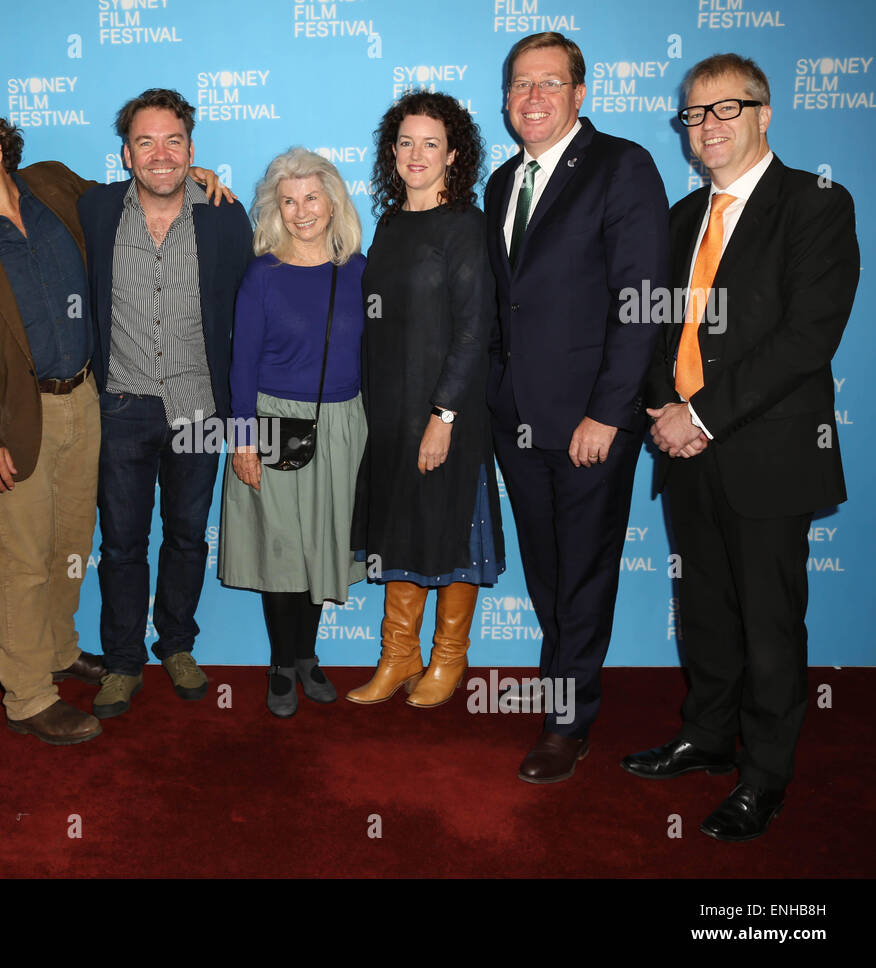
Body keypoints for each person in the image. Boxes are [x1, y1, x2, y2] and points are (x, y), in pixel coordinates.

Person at [0, 102, 230, 744]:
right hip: (12, 417)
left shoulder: (56, 184)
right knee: (21, 559)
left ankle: (58, 650)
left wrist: (197, 178)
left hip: (89, 397)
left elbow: (143, 190)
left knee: (70, 546)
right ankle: (28, 695)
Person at [623, 55, 860, 842]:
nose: (708, 127)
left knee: (769, 624)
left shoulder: (817, 205)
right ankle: (707, 735)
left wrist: (703, 416)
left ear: (766, 113)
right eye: (694, 114)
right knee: (708, 613)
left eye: (727, 109)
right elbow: (659, 321)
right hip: (684, 446)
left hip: (765, 452)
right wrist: (663, 405)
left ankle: (764, 776)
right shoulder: (684, 216)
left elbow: (805, 337)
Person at [484, 32, 668, 782]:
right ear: (505, 99)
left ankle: (569, 720)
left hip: (591, 420)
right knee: (550, 575)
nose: (533, 97)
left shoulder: (621, 167)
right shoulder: (502, 182)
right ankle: (566, 686)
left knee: (585, 574)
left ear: (580, 94)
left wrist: (610, 412)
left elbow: (640, 302)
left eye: (550, 83)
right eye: (521, 84)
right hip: (516, 422)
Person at [78, 89, 253, 719]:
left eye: (173, 141)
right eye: (145, 141)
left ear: (192, 150)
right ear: (125, 153)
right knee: (122, 544)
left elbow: (247, 315)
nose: (161, 154)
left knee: (186, 537)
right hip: (121, 405)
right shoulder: (93, 207)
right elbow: (22, 180)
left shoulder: (226, 217)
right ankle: (123, 661)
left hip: (200, 407)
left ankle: (176, 644)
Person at [348, 91, 504, 710]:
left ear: (453, 155)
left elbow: (474, 329)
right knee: (399, 528)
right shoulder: (388, 223)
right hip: (388, 413)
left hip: (448, 414)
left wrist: (443, 417)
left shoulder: (466, 225)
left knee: (450, 530)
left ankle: (448, 659)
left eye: (430, 144)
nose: (416, 154)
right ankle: (398, 655)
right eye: (406, 142)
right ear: (393, 152)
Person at [218, 147, 367, 717]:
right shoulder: (263, 274)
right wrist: (244, 439)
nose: (301, 211)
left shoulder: (357, 268)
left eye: (311, 198)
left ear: (332, 203)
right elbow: (242, 364)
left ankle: (306, 656)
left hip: (344, 425)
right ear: (275, 209)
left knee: (321, 546)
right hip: (274, 421)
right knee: (281, 551)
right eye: (288, 201)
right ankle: (283, 663)